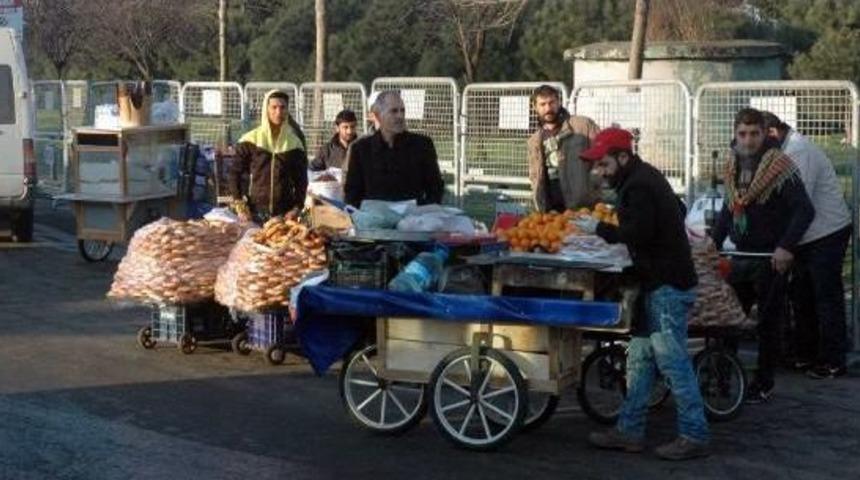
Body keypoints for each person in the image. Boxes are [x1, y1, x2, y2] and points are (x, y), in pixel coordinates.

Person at [574, 128, 708, 461]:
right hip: (660, 283)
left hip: (666, 286)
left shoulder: (639, 186)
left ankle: (694, 434)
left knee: (673, 362)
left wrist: (600, 229)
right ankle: (629, 430)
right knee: (640, 358)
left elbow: (639, 234)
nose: (599, 172)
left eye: (603, 164)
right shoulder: (641, 180)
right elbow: (666, 218)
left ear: (622, 157)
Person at [711, 108, 814, 402]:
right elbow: (729, 209)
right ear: (735, 134)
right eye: (742, 134)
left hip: (770, 257)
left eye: (754, 134)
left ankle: (763, 381)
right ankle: (723, 378)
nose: (748, 141)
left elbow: (804, 210)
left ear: (764, 134)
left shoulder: (780, 166)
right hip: (741, 255)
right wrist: (711, 244)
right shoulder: (732, 164)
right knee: (729, 318)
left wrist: (786, 247)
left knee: (769, 322)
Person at [762, 111, 852, 379]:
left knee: (826, 297)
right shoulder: (788, 150)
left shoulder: (799, 152)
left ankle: (833, 360)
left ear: (774, 133)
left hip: (827, 232)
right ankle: (806, 354)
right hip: (808, 235)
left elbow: (800, 203)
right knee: (803, 297)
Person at [344, 90, 444, 207]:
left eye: (402, 110)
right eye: (394, 111)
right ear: (378, 116)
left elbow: (435, 188)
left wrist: (422, 211)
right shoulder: (361, 149)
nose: (400, 116)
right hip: (374, 220)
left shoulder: (422, 145)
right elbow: (352, 193)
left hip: (414, 218)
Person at [229, 90, 308, 222]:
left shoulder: (295, 143)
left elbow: (301, 181)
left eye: (283, 108)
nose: (278, 112)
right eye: (274, 107)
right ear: (266, 109)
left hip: (284, 214)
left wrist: (297, 207)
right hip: (254, 212)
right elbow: (234, 173)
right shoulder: (250, 140)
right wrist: (239, 204)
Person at [527, 84, 601, 212]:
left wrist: (592, 184)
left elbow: (602, 155)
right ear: (535, 107)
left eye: (552, 102)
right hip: (549, 209)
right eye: (542, 104)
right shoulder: (533, 141)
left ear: (559, 102)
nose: (548, 108)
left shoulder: (583, 125)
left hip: (582, 207)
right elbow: (535, 175)